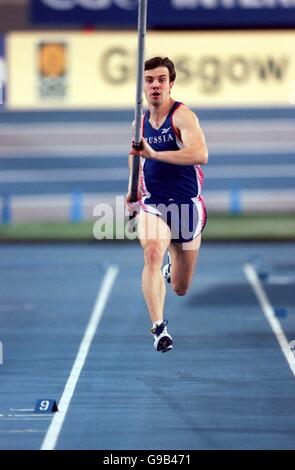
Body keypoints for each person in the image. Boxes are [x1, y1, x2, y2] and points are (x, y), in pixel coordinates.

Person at [126, 56, 208, 353]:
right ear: (143, 85)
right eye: (149, 80)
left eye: (161, 79)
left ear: (170, 84)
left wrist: (156, 155)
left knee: (181, 288)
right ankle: (159, 328)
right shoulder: (141, 121)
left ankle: (171, 269)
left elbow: (200, 154)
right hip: (155, 204)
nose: (155, 85)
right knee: (151, 253)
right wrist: (132, 190)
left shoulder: (182, 116)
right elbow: (135, 154)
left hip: (187, 207)